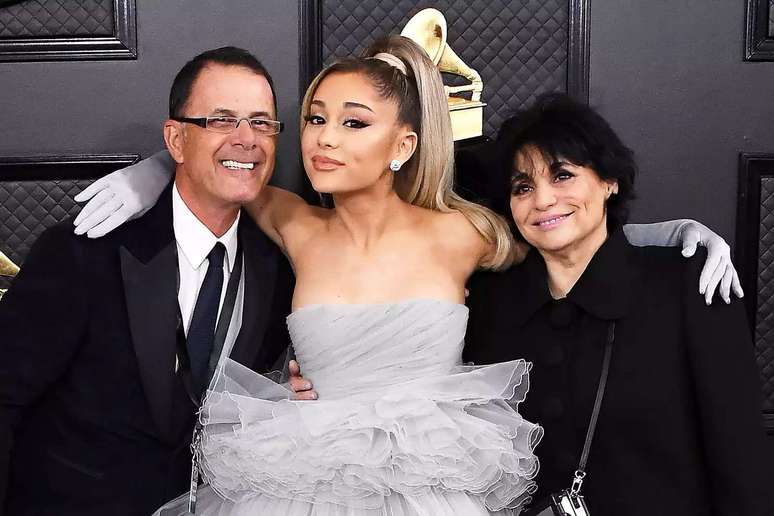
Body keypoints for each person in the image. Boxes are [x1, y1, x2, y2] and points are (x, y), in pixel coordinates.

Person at [75, 36, 742, 514]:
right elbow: (226, 168)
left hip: (432, 477)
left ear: (402, 145)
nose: (325, 138)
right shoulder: (295, 224)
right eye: (314, 119)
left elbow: (558, 226)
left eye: (352, 123)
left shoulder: (463, 233)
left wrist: (669, 234)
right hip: (304, 474)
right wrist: (150, 172)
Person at [0, 47, 313, 516]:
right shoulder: (81, 253)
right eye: (222, 120)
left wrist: (286, 394)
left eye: (261, 122)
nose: (247, 138)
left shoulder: (280, 268)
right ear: (176, 140)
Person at [464, 93, 774, 515]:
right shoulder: (488, 302)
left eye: (562, 175)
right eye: (523, 187)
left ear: (609, 182)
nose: (543, 200)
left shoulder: (688, 285)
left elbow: (740, 456)